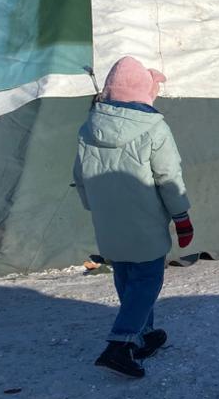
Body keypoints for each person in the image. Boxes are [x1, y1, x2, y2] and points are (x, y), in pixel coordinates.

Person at [74, 56, 194, 379]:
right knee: (147, 279)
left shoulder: (88, 127)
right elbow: (169, 176)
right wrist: (181, 215)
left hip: (108, 221)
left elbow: (81, 177)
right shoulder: (154, 128)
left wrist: (93, 206)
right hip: (145, 221)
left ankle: (141, 335)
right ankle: (121, 342)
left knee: (126, 275)